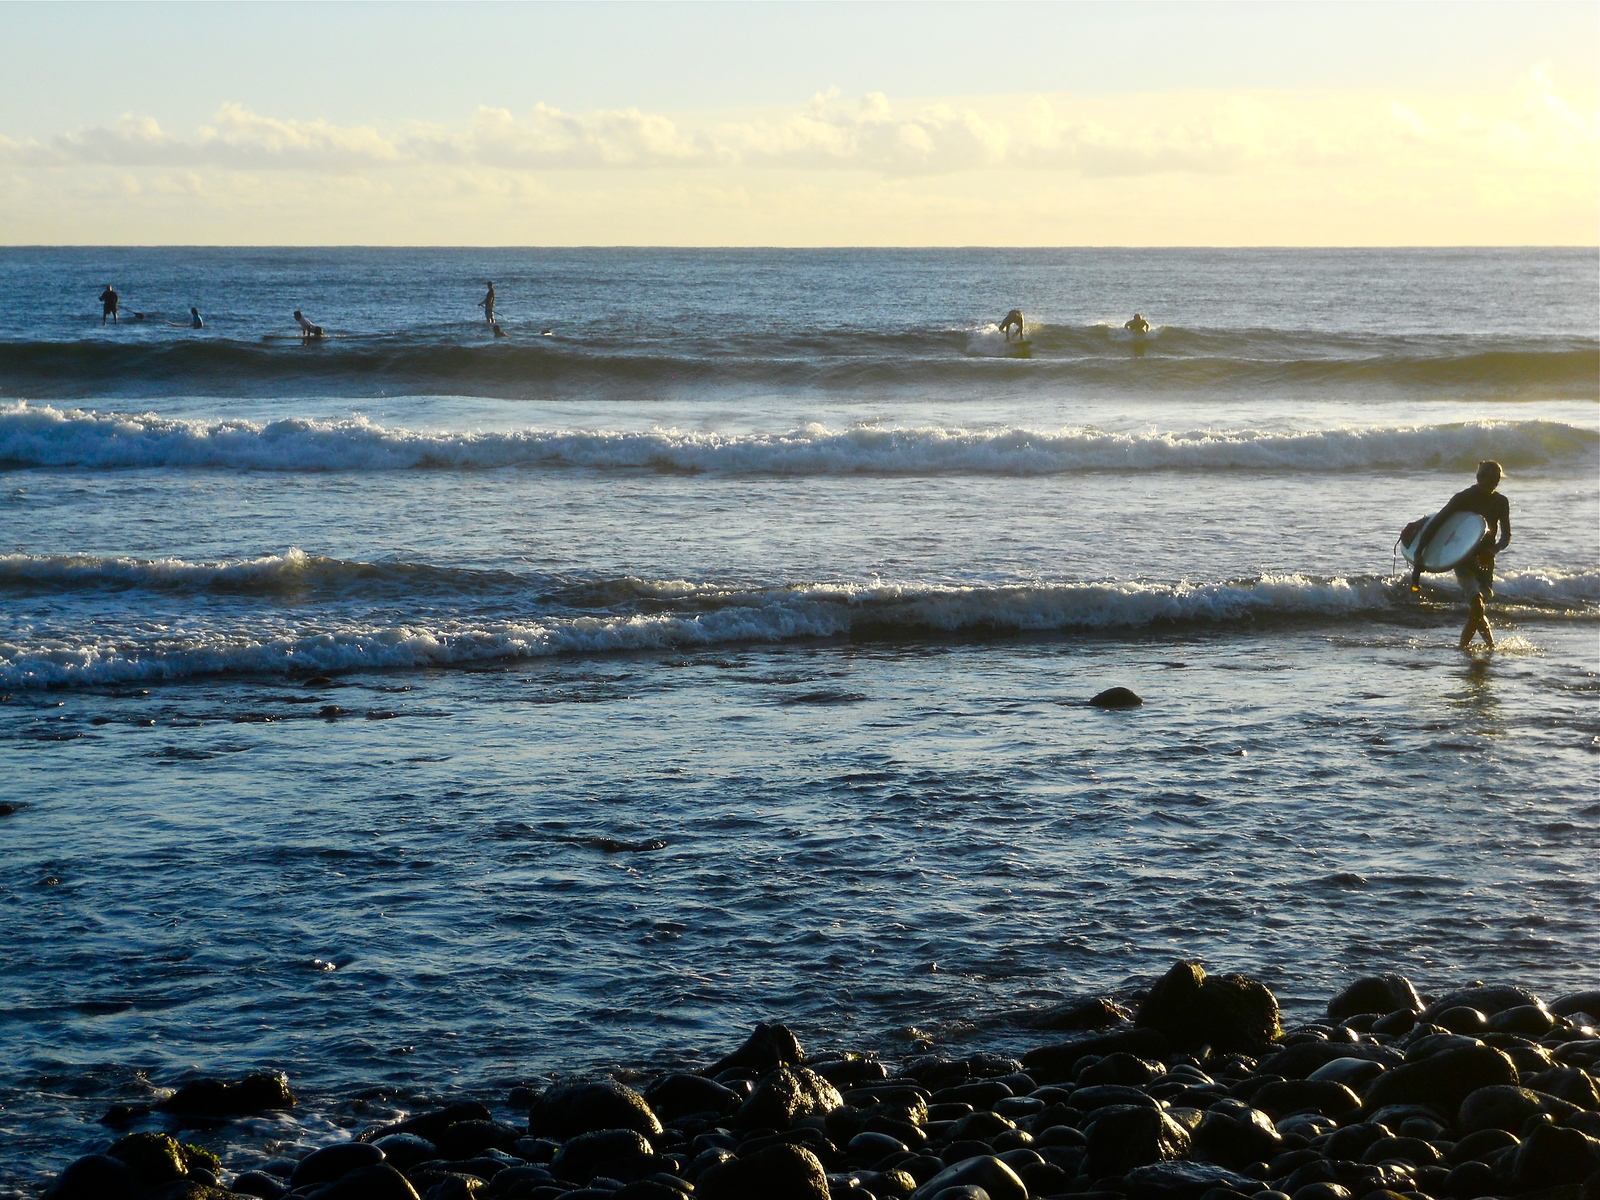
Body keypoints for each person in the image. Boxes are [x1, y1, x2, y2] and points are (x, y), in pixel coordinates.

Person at [1409, 460, 1511, 649]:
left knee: (1477, 610)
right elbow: (1436, 524)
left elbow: (1506, 536)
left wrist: (1494, 550)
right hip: (1463, 558)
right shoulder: (1463, 498)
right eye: (1491, 479)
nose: (1495, 483)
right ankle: (1470, 647)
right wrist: (1418, 552)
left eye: (1497, 479)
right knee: (1477, 605)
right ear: (1480, 477)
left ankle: (1485, 647)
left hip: (1486, 561)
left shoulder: (1501, 502)